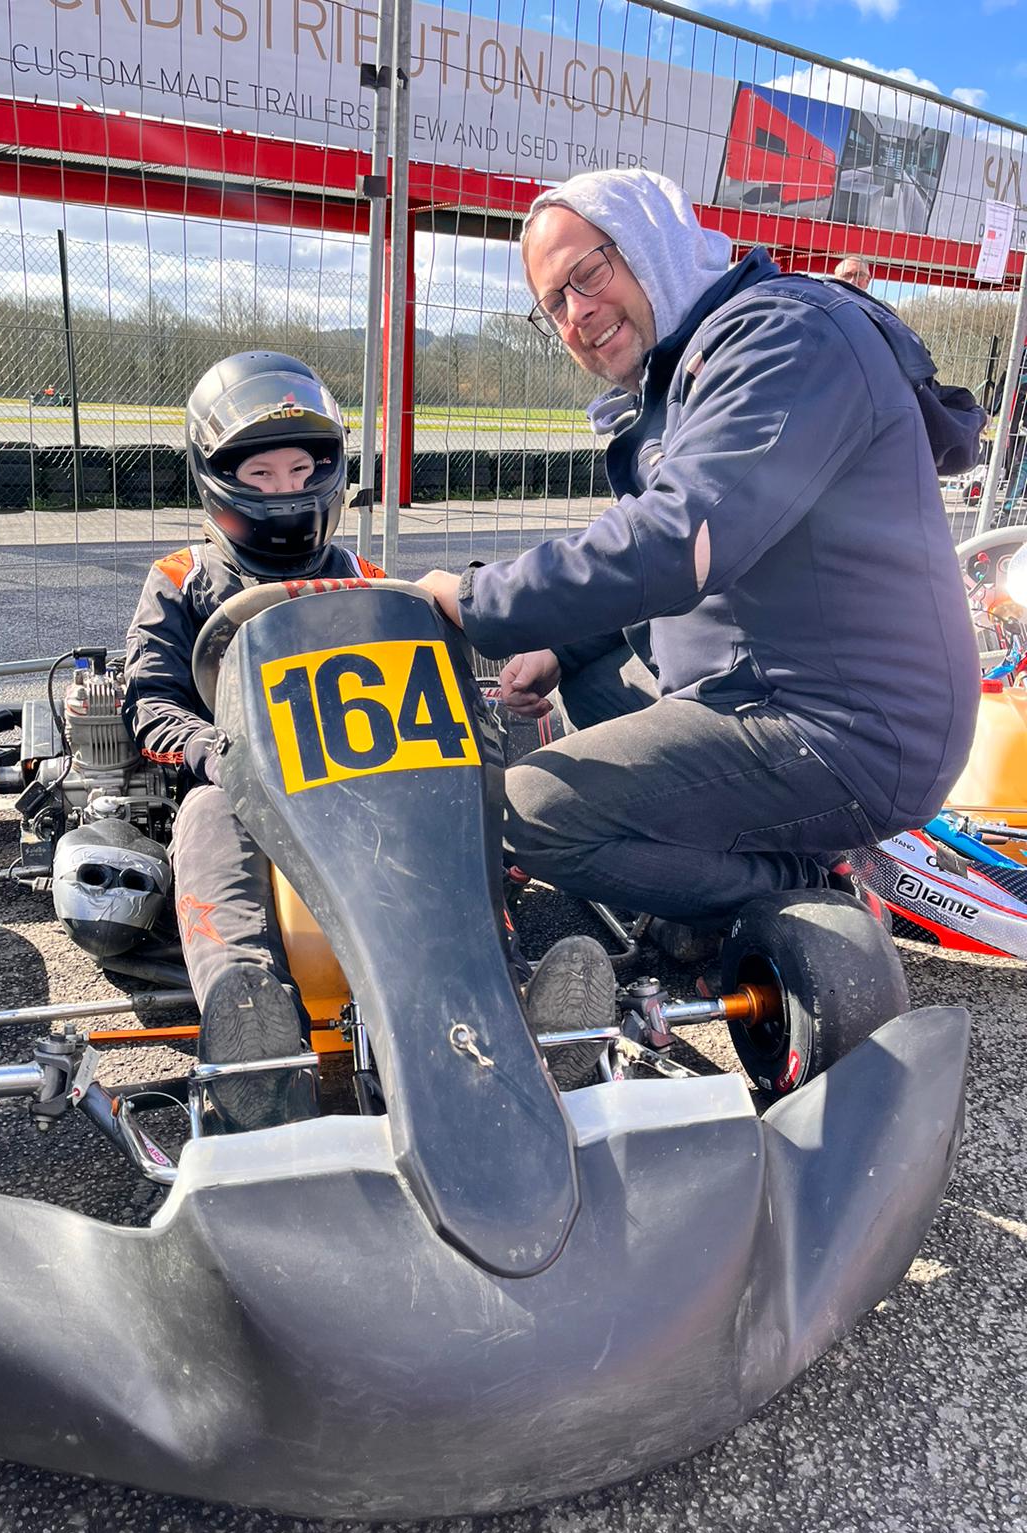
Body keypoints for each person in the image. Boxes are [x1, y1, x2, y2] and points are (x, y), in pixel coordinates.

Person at [416, 168, 980, 947]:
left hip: (847, 729)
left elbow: (682, 539)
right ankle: (725, 861)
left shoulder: (785, 337)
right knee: (587, 679)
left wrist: (475, 601)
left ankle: (804, 890)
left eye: (589, 274)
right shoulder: (692, 366)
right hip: (768, 684)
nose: (578, 313)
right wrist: (559, 646)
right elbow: (665, 562)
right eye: (555, 304)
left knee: (525, 813)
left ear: (650, 245)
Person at [123, 351, 612, 1129]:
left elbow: (428, 684)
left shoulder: (370, 579)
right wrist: (218, 753)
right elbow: (150, 703)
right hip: (244, 790)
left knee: (452, 812)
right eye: (261, 475)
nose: (285, 490)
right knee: (206, 815)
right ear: (218, 479)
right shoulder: (183, 579)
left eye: (299, 470)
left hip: (366, 791)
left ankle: (515, 1010)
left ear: (330, 472)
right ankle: (253, 1033)